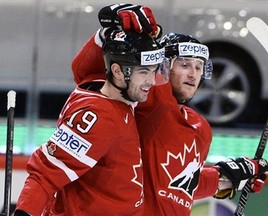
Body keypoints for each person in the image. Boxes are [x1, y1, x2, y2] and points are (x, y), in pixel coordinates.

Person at [71, 4, 268, 215]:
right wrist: (105, 36)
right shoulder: (146, 101)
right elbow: (86, 74)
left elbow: (178, 186)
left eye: (199, 67)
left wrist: (227, 179)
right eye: (184, 65)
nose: (193, 74)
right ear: (162, 67)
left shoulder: (201, 129)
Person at [14, 26, 167, 215]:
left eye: (154, 71)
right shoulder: (98, 118)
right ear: (118, 71)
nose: (151, 81)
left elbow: (83, 66)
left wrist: (108, 32)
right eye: (144, 72)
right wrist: (24, 213)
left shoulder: (110, 91)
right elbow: (47, 173)